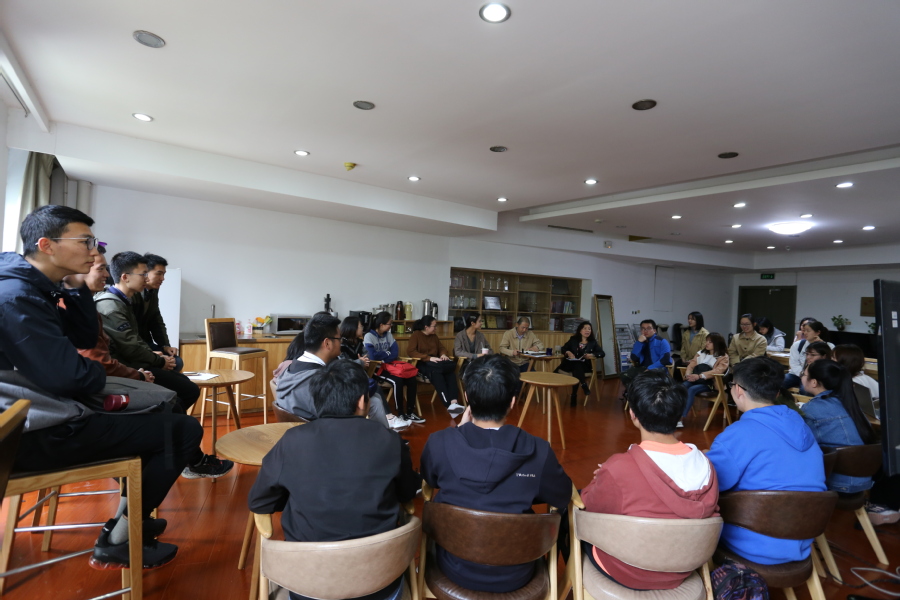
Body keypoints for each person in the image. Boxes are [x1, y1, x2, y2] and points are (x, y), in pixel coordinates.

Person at [0, 205, 227, 570]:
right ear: (47, 245)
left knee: (164, 410)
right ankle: (120, 538)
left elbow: (83, 338)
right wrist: (101, 376)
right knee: (180, 429)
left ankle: (130, 522)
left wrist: (75, 287)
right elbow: (71, 375)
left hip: (43, 411)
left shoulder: (38, 288)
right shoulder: (16, 296)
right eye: (86, 242)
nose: (95, 253)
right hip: (26, 433)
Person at [249, 359, 420, 600]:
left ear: (316, 400)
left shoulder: (292, 440)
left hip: (308, 587)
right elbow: (407, 492)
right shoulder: (389, 440)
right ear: (361, 401)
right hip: (381, 583)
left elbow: (259, 501)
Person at [420, 355, 571, 593]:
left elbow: (430, 479)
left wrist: (458, 434)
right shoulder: (539, 450)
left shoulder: (439, 442)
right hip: (517, 573)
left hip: (453, 566)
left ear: (467, 397)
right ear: (512, 402)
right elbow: (561, 496)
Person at [581, 370, 719, 590]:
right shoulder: (707, 465)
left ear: (633, 414)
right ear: (679, 414)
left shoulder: (619, 468)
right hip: (684, 567)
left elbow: (589, 506)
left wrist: (602, 478)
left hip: (628, 569)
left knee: (572, 515)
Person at [706, 358, 826, 565]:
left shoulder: (738, 434)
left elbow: (708, 484)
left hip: (752, 542)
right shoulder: (800, 424)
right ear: (777, 392)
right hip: (802, 538)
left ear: (738, 390)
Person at [95, 251, 200, 414]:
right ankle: (168, 422)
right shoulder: (111, 306)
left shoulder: (125, 300)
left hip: (131, 359)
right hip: (124, 365)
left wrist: (159, 352)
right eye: (143, 274)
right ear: (125, 277)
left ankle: (171, 422)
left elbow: (144, 329)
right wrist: (158, 360)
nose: (147, 278)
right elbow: (130, 347)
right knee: (186, 391)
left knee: (183, 382)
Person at [276, 312, 390, 428]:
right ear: (327, 343)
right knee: (373, 400)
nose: (341, 342)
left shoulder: (289, 369)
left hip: (298, 432)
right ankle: (386, 436)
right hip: (323, 434)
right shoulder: (322, 381)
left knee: (374, 398)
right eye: (339, 339)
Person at [63, 247, 154, 383]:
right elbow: (101, 362)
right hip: (92, 381)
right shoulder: (84, 307)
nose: (107, 274)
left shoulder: (85, 305)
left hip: (106, 372)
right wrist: (138, 374)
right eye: (101, 269)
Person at [800, 360, 876, 492]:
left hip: (838, 482)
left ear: (814, 382)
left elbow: (803, 445)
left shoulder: (812, 409)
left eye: (803, 374)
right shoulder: (849, 402)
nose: (801, 377)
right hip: (864, 479)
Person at [339, 315, 409, 431]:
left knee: (376, 389)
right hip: (348, 378)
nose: (362, 329)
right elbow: (343, 364)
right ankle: (389, 418)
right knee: (375, 389)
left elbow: (367, 357)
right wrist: (359, 362)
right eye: (360, 327)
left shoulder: (359, 342)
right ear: (352, 328)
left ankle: (388, 419)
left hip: (360, 374)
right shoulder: (342, 344)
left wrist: (361, 361)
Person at [365, 311, 422, 424]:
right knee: (398, 381)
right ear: (381, 325)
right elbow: (372, 356)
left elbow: (395, 352)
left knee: (411, 379)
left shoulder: (388, 335)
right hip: (377, 369)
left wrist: (384, 356)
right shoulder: (369, 336)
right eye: (389, 324)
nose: (391, 326)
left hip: (391, 366)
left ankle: (410, 412)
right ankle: (400, 413)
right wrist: (387, 353)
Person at [131, 253, 182, 371]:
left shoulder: (153, 292)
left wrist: (165, 345)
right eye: (159, 273)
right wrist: (148, 352)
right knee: (171, 365)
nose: (162, 278)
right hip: (134, 345)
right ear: (145, 273)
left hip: (145, 342)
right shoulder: (131, 293)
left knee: (176, 361)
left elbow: (156, 320)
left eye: (164, 274)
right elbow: (128, 333)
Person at [408, 315, 465, 417]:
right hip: (422, 364)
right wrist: (428, 358)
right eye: (434, 326)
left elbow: (442, 348)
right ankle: (448, 405)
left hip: (435, 363)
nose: (436, 328)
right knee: (436, 375)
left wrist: (443, 354)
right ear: (426, 327)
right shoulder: (416, 335)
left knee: (450, 374)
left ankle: (454, 402)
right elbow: (411, 352)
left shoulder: (434, 336)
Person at [678, 332, 729, 428]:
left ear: (717, 343)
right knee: (681, 387)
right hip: (695, 379)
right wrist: (688, 375)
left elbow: (718, 371)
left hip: (709, 383)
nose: (707, 343)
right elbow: (691, 365)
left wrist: (700, 376)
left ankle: (680, 418)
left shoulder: (723, 357)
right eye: (707, 341)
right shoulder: (700, 353)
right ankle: (673, 414)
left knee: (691, 390)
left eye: (710, 342)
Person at [556, 321, 604, 406]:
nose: (587, 330)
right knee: (576, 365)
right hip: (570, 365)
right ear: (580, 330)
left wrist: (591, 355)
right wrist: (568, 352)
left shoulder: (593, 342)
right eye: (585, 328)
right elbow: (563, 348)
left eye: (589, 329)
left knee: (577, 366)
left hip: (584, 366)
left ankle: (574, 394)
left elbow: (602, 353)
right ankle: (583, 385)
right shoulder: (573, 340)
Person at [620, 320, 671, 390]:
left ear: (654, 330)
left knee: (645, 378)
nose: (645, 331)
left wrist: (650, 368)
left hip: (658, 368)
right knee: (624, 375)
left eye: (649, 328)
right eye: (643, 328)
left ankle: (645, 393)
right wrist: (639, 342)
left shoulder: (662, 341)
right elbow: (634, 357)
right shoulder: (640, 342)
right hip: (643, 368)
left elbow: (665, 359)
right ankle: (634, 393)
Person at [784, 320, 832, 389]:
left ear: (818, 332)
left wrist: (823, 345)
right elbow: (794, 363)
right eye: (804, 330)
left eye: (808, 331)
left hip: (817, 377)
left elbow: (830, 363)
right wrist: (803, 374)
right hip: (797, 374)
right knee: (779, 382)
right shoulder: (798, 345)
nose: (805, 333)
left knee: (805, 389)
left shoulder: (829, 346)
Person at [834, 344, 879, 408]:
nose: (830, 360)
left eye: (833, 357)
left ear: (844, 361)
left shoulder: (855, 382)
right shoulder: (857, 377)